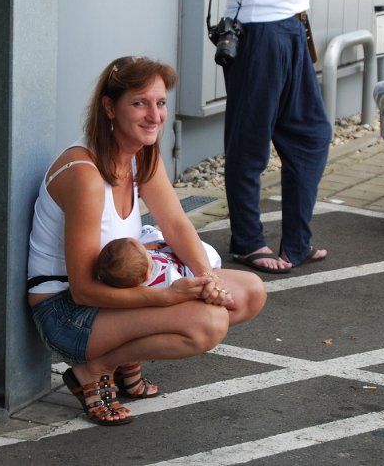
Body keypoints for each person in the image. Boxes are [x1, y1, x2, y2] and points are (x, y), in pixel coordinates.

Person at [27, 56, 267, 426]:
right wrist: (167, 298)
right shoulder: (85, 176)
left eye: (160, 103)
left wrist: (208, 279)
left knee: (249, 292)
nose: (154, 115)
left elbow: (175, 224)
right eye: (139, 103)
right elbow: (83, 292)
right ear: (109, 107)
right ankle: (96, 368)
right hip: (66, 313)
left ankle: (124, 354)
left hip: (120, 288)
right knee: (207, 324)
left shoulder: (140, 154)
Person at [219, 0, 332, 274]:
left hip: (294, 26)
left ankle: (297, 242)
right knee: (250, 143)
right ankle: (247, 242)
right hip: (259, 32)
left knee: (311, 136)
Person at [95, 236, 195, 288]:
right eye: (146, 253)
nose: (147, 251)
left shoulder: (136, 270)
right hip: (182, 267)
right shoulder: (169, 279)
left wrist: (145, 248)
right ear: (147, 275)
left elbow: (136, 257)